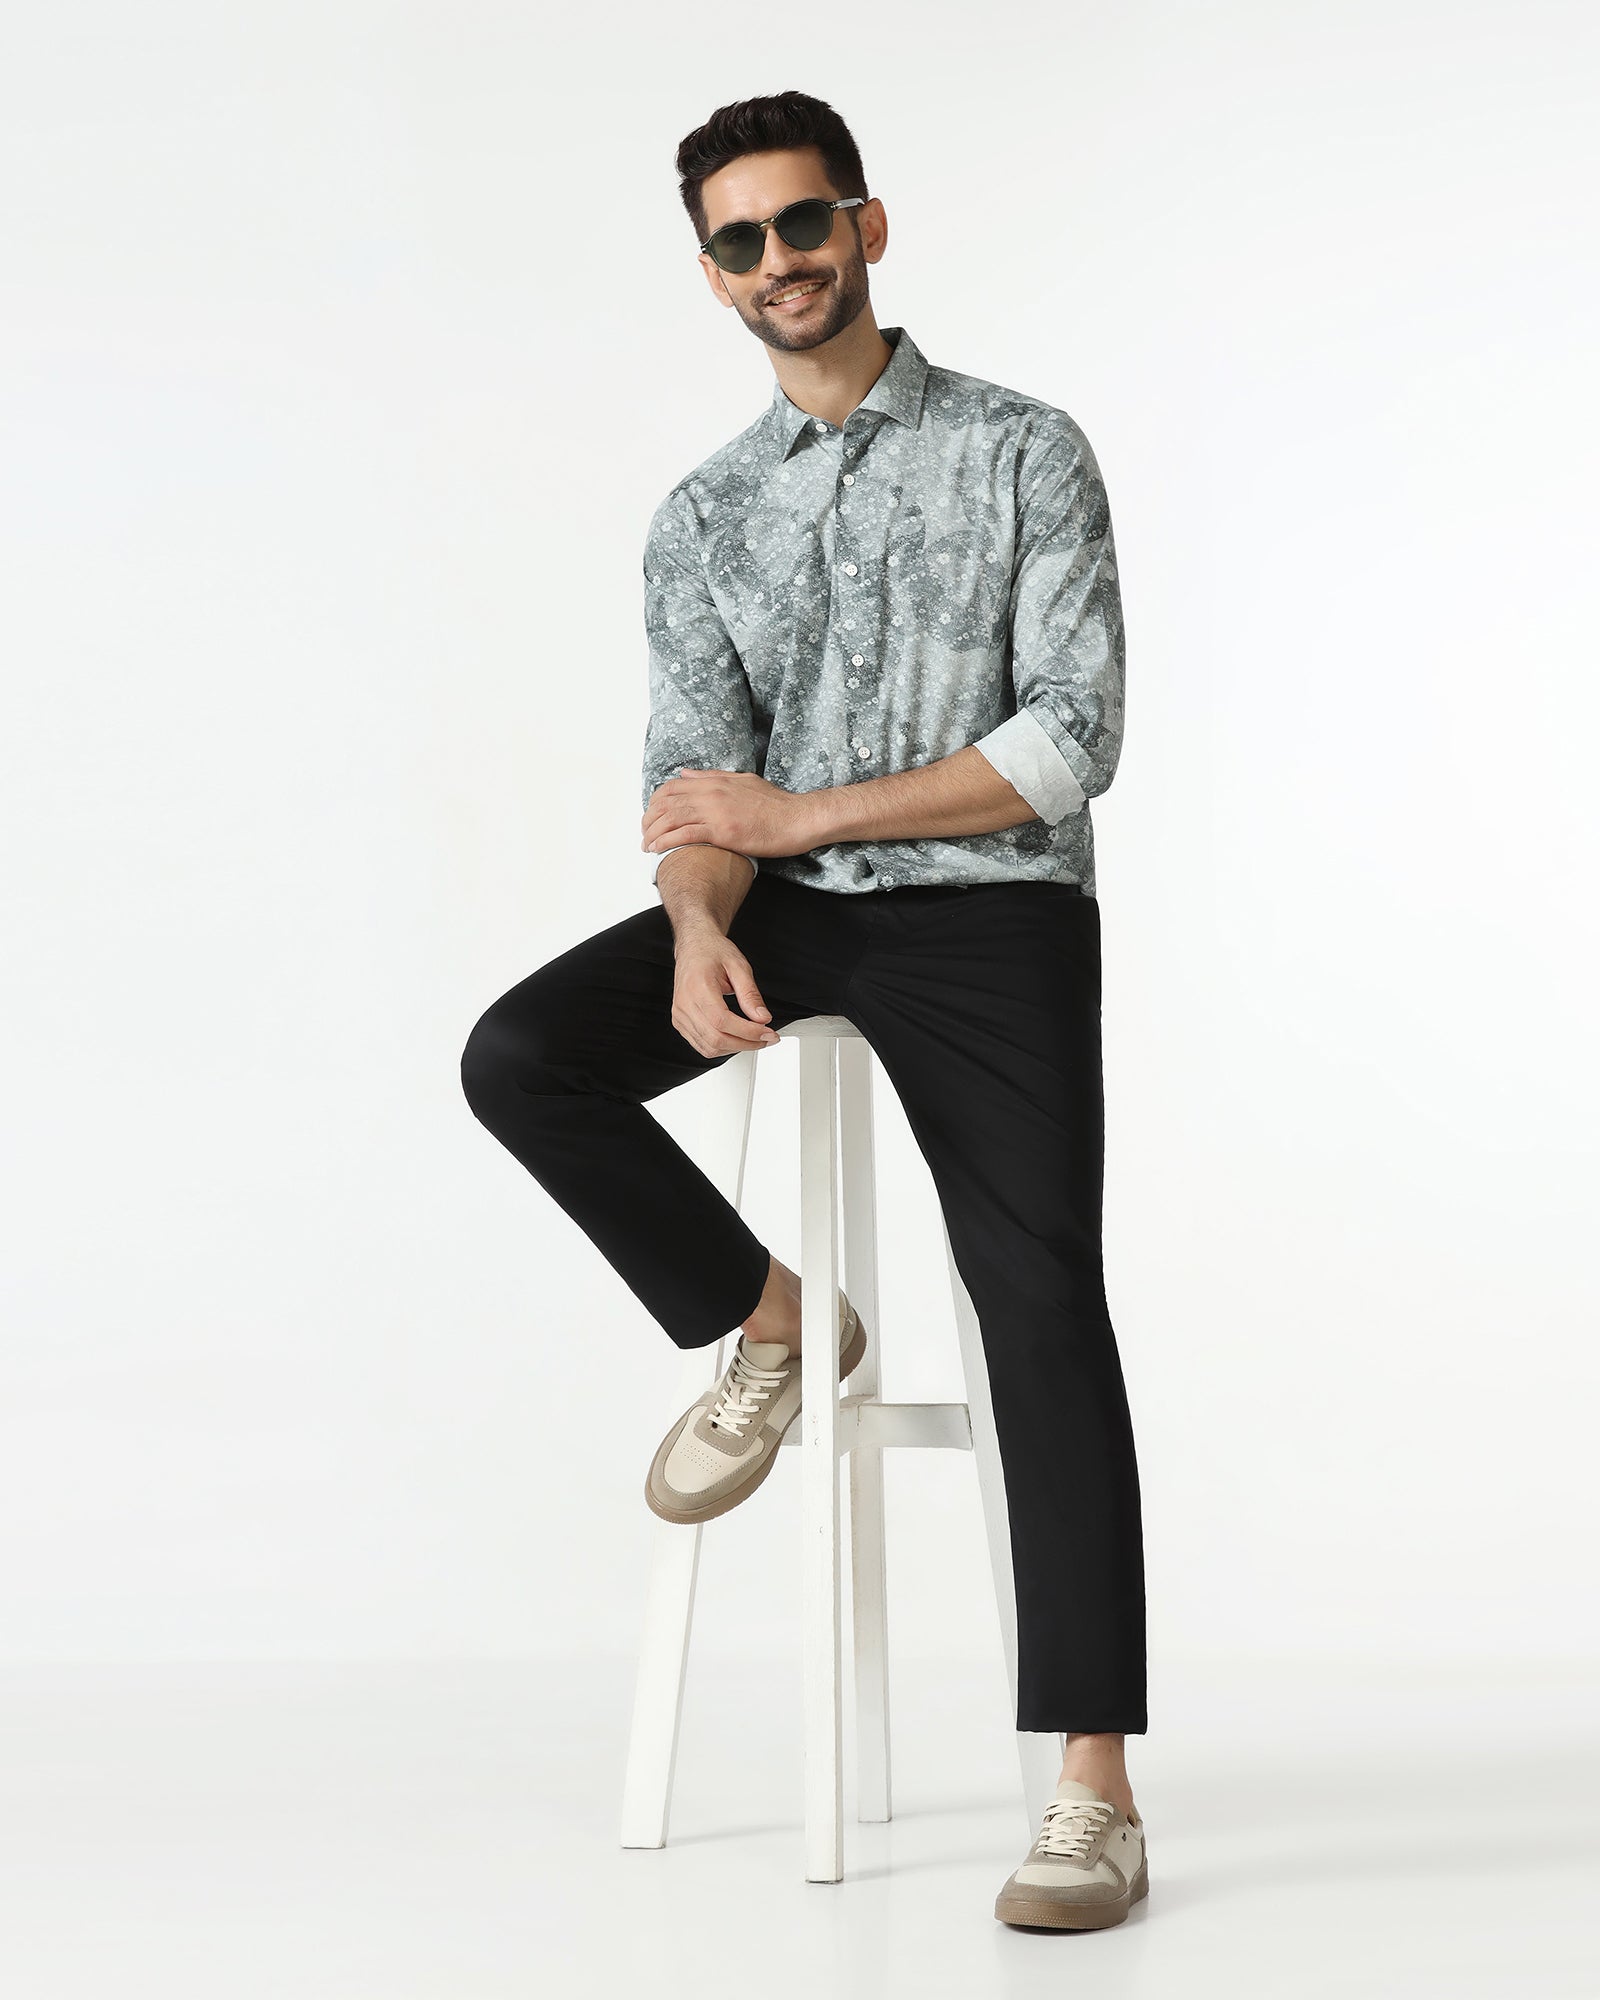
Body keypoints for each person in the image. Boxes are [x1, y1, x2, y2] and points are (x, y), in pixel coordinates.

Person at [460, 88, 1148, 1931]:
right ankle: (775, 1319)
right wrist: (699, 919)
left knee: (1037, 1295)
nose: (781, 260)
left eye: (805, 223)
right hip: (780, 914)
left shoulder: (1023, 450)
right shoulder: (702, 517)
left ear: (867, 226)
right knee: (523, 1058)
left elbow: (1070, 743)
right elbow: (696, 788)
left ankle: (1092, 1784)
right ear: (713, 274)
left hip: (992, 917)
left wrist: (805, 820)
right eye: (743, 241)